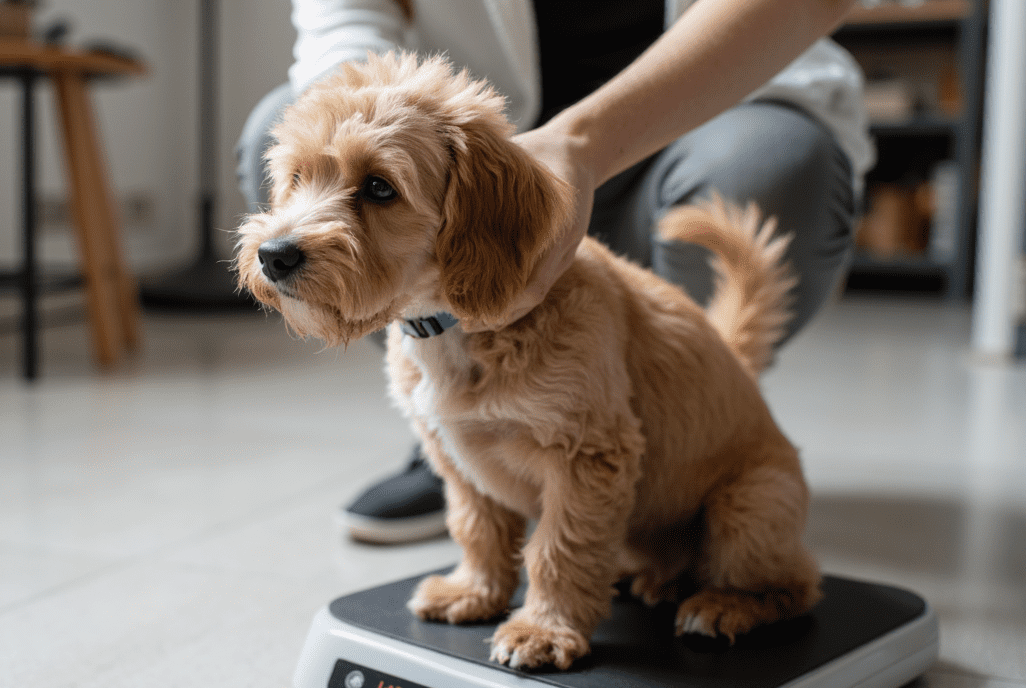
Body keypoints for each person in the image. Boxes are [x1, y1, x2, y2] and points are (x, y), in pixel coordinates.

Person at [237, 0, 872, 543]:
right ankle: (474, 440)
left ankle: (681, 444)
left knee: (770, 168)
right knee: (276, 117)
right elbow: (345, 21)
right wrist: (366, 122)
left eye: (374, 190)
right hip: (466, 163)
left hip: (693, 121)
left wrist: (580, 145)